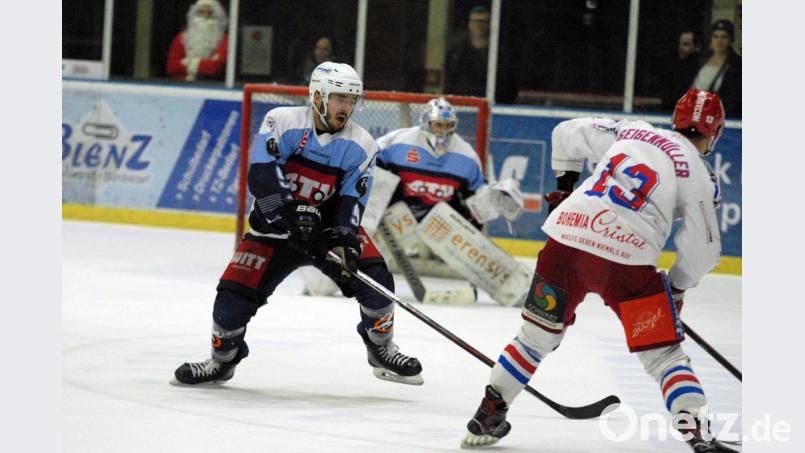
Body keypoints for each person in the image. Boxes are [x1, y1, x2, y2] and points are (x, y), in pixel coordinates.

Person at [461, 89, 737, 452]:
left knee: (534, 338)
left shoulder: (631, 130)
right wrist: (677, 287)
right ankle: (697, 434)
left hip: (565, 241)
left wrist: (564, 187)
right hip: (624, 260)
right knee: (664, 355)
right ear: (714, 133)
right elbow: (704, 251)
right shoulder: (697, 173)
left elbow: (565, 133)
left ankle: (489, 413)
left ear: (675, 117)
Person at [171, 61, 423, 387]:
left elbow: (351, 201)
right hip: (273, 229)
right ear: (318, 96)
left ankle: (380, 349)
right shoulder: (282, 121)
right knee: (230, 302)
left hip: (326, 233)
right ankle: (222, 362)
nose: (346, 107)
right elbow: (262, 174)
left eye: (351, 100)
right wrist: (289, 213)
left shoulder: (362, 144)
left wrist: (345, 239)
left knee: (377, 282)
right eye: (339, 98)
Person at [166, 0, 229, 82]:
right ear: (194, 15)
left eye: (210, 13)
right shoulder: (181, 38)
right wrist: (205, 64)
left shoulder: (224, 39)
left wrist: (188, 62)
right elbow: (172, 67)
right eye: (201, 12)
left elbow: (215, 68)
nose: (205, 16)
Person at [692, 20, 741, 117]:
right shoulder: (700, 59)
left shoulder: (737, 65)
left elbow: (733, 98)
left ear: (731, 40)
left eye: (724, 37)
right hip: (692, 111)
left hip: (716, 116)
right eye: (716, 36)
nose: (719, 41)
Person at [444, 6, 490, 98]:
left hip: (487, 99)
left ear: (489, 24)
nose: (479, 25)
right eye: (475, 21)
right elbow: (449, 74)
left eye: (483, 21)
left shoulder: (497, 50)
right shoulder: (457, 48)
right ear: (469, 24)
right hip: (462, 99)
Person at [661, 30, 702, 112]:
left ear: (697, 47)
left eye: (685, 44)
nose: (680, 47)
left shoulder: (699, 69)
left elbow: (676, 96)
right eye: (679, 43)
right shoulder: (674, 65)